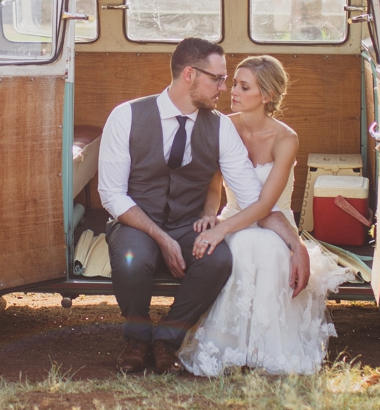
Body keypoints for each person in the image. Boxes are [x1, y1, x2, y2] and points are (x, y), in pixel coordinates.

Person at [98, 38, 311, 375]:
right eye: (218, 79)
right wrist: (162, 238)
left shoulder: (221, 126)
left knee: (218, 261)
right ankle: (136, 338)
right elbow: (111, 194)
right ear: (189, 75)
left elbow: (255, 197)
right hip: (136, 221)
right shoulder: (126, 116)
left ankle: (165, 338)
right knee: (133, 261)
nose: (224, 88)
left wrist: (294, 244)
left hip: (188, 223)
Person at [179, 55, 349, 376]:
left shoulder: (286, 139)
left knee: (264, 247)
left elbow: (264, 205)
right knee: (242, 244)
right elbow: (214, 186)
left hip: (274, 222)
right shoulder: (223, 126)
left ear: (266, 96)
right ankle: (231, 348)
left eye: (244, 87)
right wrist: (209, 216)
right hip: (233, 216)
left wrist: (222, 230)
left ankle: (267, 349)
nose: (233, 91)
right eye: (235, 84)